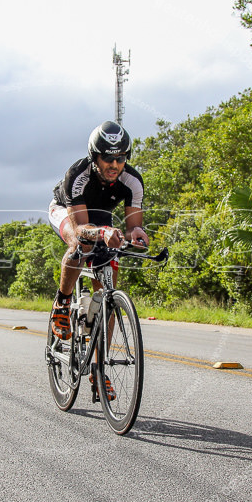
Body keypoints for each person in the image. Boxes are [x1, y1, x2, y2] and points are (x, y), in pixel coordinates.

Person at [48, 120, 149, 400]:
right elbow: (80, 228)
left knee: (108, 287)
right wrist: (102, 232)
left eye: (121, 158)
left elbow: (132, 226)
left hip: (102, 215)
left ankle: (98, 368)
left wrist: (135, 233)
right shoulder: (77, 175)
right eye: (108, 158)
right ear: (95, 157)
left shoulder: (133, 181)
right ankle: (63, 300)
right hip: (69, 212)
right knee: (80, 244)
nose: (114, 164)